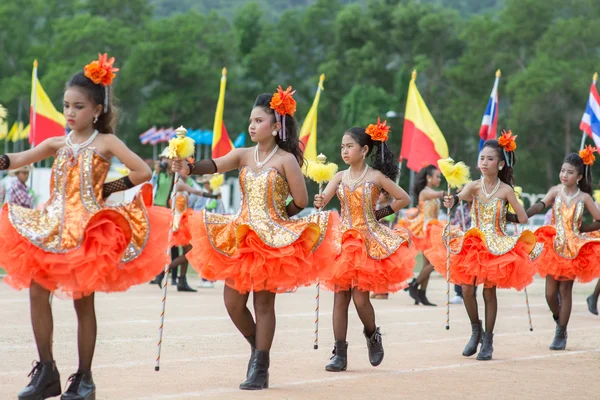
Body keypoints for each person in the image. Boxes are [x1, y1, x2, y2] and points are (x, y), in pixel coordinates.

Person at [0, 54, 170, 400]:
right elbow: (18, 159)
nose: (70, 113)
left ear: (96, 109)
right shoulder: (56, 143)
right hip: (52, 224)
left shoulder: (106, 143)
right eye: (66, 106)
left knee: (83, 302)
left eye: (78, 106)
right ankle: (46, 370)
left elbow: (142, 172)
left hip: (88, 230)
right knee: (36, 291)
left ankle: (84, 378)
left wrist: (108, 189)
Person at [173, 86, 337, 390]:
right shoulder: (244, 155)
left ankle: (261, 366)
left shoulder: (287, 160)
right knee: (232, 303)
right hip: (242, 235)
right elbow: (216, 164)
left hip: (272, 240)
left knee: (264, 306)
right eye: (251, 120)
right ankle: (255, 348)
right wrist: (190, 167)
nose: (251, 125)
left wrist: (278, 223)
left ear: (276, 127)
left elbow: (300, 201)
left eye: (258, 120)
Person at [424, 133, 540, 361]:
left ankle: (488, 339)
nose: (484, 163)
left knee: (489, 291)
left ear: (501, 163)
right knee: (466, 288)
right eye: (482, 158)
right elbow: (458, 197)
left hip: (496, 244)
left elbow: (523, 217)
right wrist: (451, 201)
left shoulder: (506, 190)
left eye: (489, 159)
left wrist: (506, 217)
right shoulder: (473, 186)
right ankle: (475, 330)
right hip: (473, 242)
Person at [314, 120, 416, 372]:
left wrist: (380, 214)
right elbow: (323, 200)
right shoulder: (339, 176)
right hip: (343, 240)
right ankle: (339, 351)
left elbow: (404, 198)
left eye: (350, 146)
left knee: (360, 300)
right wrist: (319, 199)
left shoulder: (376, 177)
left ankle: (372, 336)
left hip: (368, 241)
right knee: (340, 298)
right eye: (342, 147)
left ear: (364, 150)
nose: (344, 151)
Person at [524, 149, 600, 349]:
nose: (565, 175)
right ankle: (559, 318)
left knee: (565, 290)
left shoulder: (584, 198)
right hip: (553, 246)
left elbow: (599, 220)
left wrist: (584, 228)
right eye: (563, 170)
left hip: (573, 249)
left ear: (579, 176)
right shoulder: (555, 191)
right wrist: (522, 215)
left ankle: (560, 333)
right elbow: (540, 206)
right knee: (550, 294)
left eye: (570, 172)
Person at [397, 164, 445, 306]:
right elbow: (439, 194)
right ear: (429, 178)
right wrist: (448, 193)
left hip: (434, 228)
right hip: (427, 229)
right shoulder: (425, 192)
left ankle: (421, 293)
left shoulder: (430, 191)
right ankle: (414, 284)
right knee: (435, 262)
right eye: (437, 176)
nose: (439, 179)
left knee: (428, 264)